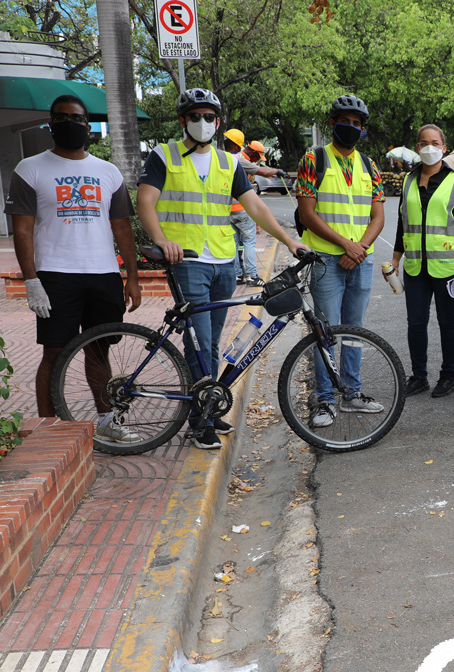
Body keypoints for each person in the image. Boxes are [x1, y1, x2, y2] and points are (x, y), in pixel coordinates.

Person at [137, 88, 306, 449]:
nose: (203, 122)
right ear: (183, 120)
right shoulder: (163, 156)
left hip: (224, 261)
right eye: (195, 116)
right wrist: (161, 239)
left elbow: (255, 207)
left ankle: (208, 409)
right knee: (199, 343)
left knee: (211, 342)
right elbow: (145, 201)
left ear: (218, 122)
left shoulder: (228, 163)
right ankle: (200, 421)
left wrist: (290, 241)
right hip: (187, 261)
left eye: (209, 117)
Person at [5, 94, 141, 441]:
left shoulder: (108, 172)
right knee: (55, 352)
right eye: (62, 118)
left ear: (88, 126)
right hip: (56, 276)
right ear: (50, 124)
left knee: (99, 349)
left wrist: (132, 278)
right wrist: (31, 280)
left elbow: (122, 228)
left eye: (77, 119)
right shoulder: (30, 169)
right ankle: (49, 428)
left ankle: (108, 421)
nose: (70, 124)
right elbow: (22, 230)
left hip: (103, 274)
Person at [296, 94, 387, 427]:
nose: (351, 127)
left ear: (363, 129)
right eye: (344, 122)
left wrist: (359, 248)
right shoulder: (314, 159)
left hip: (360, 259)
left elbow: (378, 216)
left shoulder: (369, 166)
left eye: (357, 123)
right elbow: (307, 214)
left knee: (354, 331)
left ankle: (351, 392)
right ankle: (324, 399)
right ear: (332, 124)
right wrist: (346, 246)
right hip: (325, 261)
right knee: (325, 331)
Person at [392, 124, 454, 399]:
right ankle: (419, 376)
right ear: (417, 148)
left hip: (448, 267)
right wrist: (395, 259)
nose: (429, 147)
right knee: (416, 323)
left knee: (447, 322)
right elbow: (402, 222)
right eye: (424, 143)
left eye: (435, 143)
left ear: (444, 147)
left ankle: (448, 376)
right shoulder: (408, 181)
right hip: (415, 266)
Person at [222, 128, 283, 287]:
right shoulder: (238, 159)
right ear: (238, 146)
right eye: (257, 156)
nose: (257, 159)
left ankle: (237, 275)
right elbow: (262, 171)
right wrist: (277, 171)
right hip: (242, 208)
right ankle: (251, 276)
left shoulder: (220, 159)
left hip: (227, 210)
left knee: (234, 244)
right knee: (249, 242)